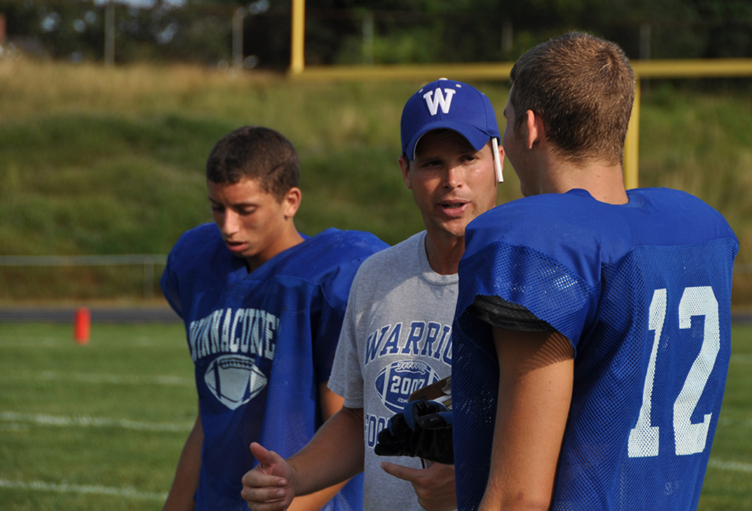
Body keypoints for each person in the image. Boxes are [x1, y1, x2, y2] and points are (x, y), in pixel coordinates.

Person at [450, 32, 739, 511]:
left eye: (505, 123)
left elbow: (518, 497)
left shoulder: (544, 244)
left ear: (530, 127)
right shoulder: (694, 232)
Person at [240, 79, 505, 511]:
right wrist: (294, 475)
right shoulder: (376, 275)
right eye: (433, 163)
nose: (452, 180)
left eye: (468, 159)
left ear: (498, 159)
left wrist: (469, 482)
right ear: (406, 171)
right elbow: (360, 417)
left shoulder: (526, 277)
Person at [159, 126, 388, 511]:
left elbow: (352, 427)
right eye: (218, 207)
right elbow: (210, 414)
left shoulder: (326, 280)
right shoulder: (200, 265)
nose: (228, 226)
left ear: (290, 201)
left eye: (245, 210)